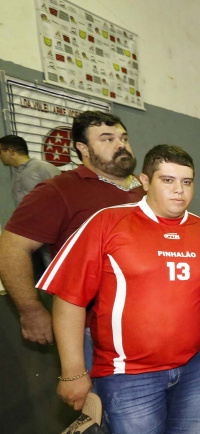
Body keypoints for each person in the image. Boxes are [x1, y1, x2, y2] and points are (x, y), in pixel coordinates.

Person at [38, 145, 200, 434]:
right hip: (128, 375)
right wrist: (73, 372)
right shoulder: (109, 223)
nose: (179, 191)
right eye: (168, 180)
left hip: (191, 370)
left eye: (187, 182)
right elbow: (68, 299)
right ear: (144, 181)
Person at [0, 111, 143, 345]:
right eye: (107, 139)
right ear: (83, 148)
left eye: (123, 138)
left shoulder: (146, 187)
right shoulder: (59, 190)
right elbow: (10, 248)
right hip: (97, 332)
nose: (121, 145)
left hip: (156, 322)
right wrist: (31, 310)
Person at [0, 134, 61, 206]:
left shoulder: (43, 167)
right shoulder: (16, 173)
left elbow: (64, 196)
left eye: (0, 152)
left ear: (11, 152)